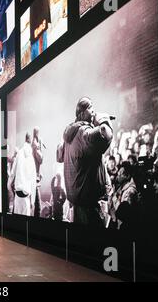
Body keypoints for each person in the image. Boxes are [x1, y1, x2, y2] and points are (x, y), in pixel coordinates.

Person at [56, 97, 113, 227]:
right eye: (90, 107)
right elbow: (104, 134)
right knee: (96, 243)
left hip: (77, 206)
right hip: (90, 207)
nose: (94, 110)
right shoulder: (83, 132)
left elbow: (59, 155)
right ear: (81, 113)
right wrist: (104, 121)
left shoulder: (71, 134)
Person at [12, 133, 37, 216]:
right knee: (25, 222)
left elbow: (12, 173)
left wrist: (9, 187)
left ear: (25, 139)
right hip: (26, 195)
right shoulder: (31, 159)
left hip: (18, 193)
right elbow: (33, 182)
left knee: (16, 221)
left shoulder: (19, 154)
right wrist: (32, 201)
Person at [32, 127, 43, 218]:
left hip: (34, 175)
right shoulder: (35, 144)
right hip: (35, 178)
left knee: (35, 204)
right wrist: (40, 148)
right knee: (38, 206)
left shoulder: (33, 143)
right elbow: (40, 159)